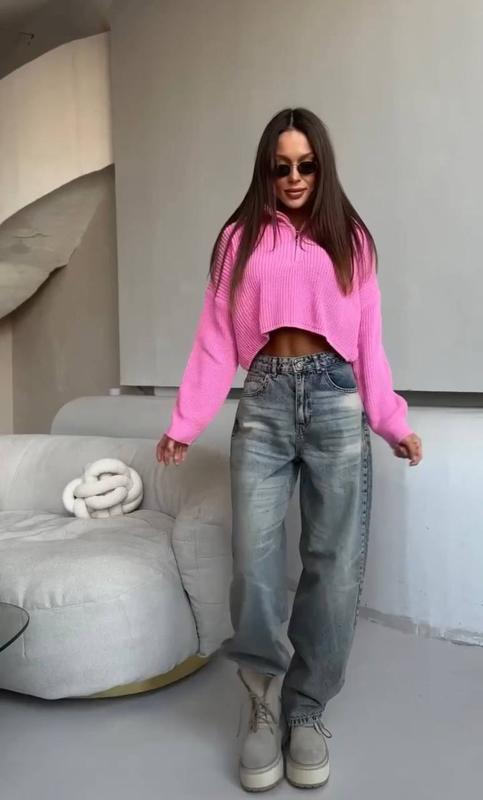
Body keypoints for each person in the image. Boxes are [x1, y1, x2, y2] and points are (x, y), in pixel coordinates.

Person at [156, 107, 423, 792]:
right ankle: (262, 701)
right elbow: (215, 338)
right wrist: (185, 422)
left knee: (333, 566)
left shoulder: (351, 239)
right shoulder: (238, 238)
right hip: (265, 400)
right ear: (266, 171)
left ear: (322, 167)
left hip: (335, 400)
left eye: (306, 165)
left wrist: (391, 420)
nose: (295, 178)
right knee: (254, 563)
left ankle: (307, 709)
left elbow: (368, 343)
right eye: (282, 167)